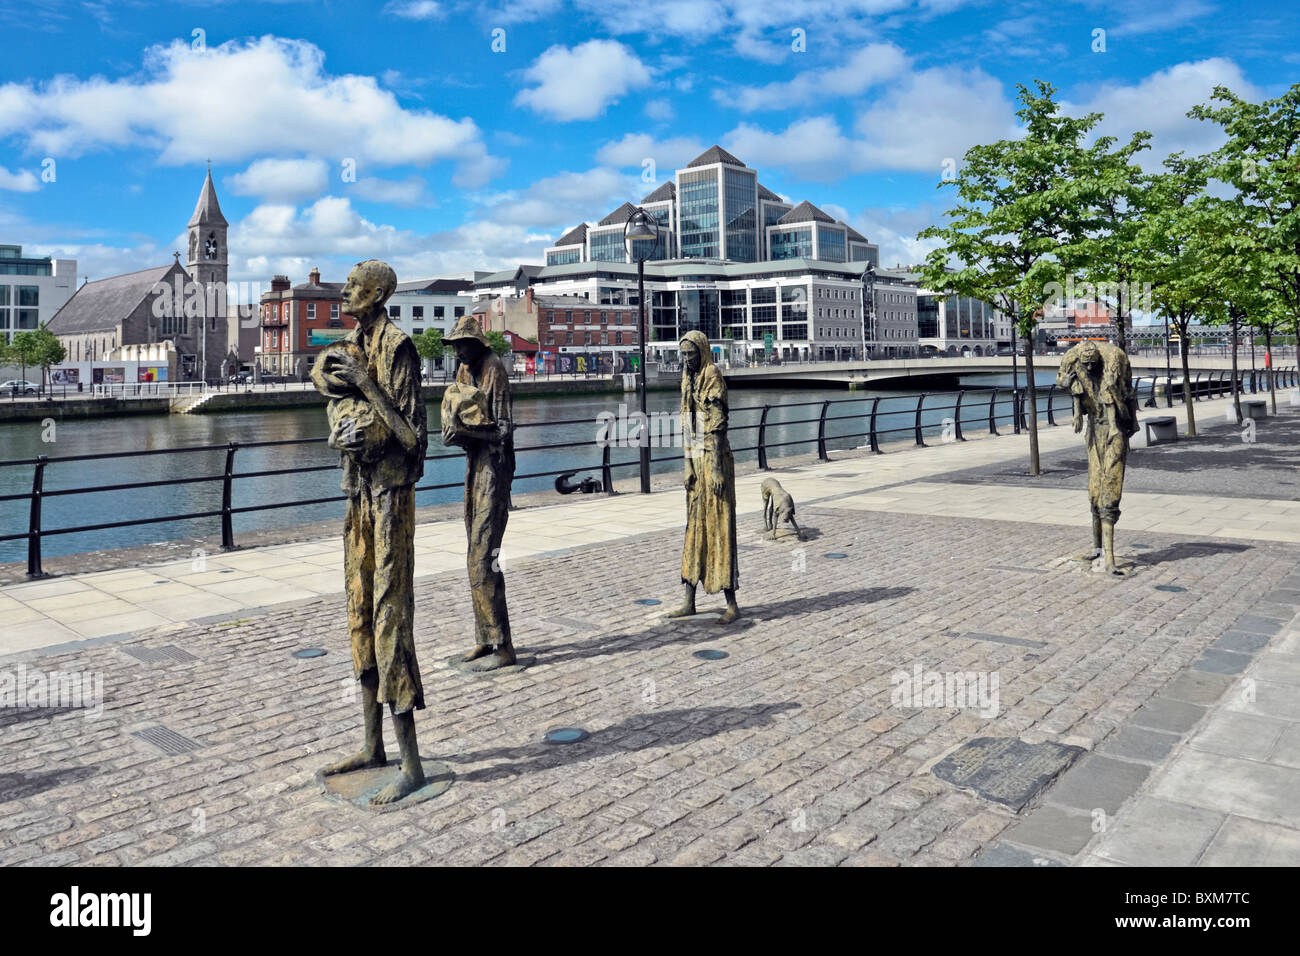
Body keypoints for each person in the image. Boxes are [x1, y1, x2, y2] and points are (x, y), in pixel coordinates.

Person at [309, 259, 429, 805]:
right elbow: (326, 380)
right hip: (357, 495)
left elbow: (411, 436)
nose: (345, 291)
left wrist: (364, 386)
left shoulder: (400, 347)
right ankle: (371, 744)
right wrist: (334, 377)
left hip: (391, 499)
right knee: (357, 614)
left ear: (378, 293)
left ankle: (411, 764)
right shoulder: (353, 342)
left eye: (354, 286)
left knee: (388, 617)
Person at [443, 315, 517, 671]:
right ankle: (485, 638)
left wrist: (472, 432)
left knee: (484, 553)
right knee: (474, 551)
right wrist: (457, 434)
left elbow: (503, 429)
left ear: (476, 343)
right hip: (475, 465)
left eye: (461, 344)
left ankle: (503, 646)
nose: (457, 351)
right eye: (454, 345)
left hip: (496, 467)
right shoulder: (463, 373)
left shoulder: (494, 369)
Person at [667, 330, 741, 624]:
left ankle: (731, 603)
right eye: (683, 355)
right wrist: (687, 465)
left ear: (702, 352)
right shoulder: (688, 378)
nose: (687, 360)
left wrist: (719, 470)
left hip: (715, 459)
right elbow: (687, 424)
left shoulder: (712, 375)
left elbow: (718, 426)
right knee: (694, 529)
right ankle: (689, 599)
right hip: (697, 461)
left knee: (721, 527)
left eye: (691, 354)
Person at [1056, 341, 1139, 575]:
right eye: (1086, 364)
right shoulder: (1075, 363)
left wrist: (1125, 423)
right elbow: (1068, 386)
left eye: (1093, 363)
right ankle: (1098, 548)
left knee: (1109, 490)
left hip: (1114, 433)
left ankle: (1110, 557)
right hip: (1094, 430)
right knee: (1094, 489)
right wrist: (1066, 385)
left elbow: (1124, 396)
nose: (1090, 368)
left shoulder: (1114, 361)